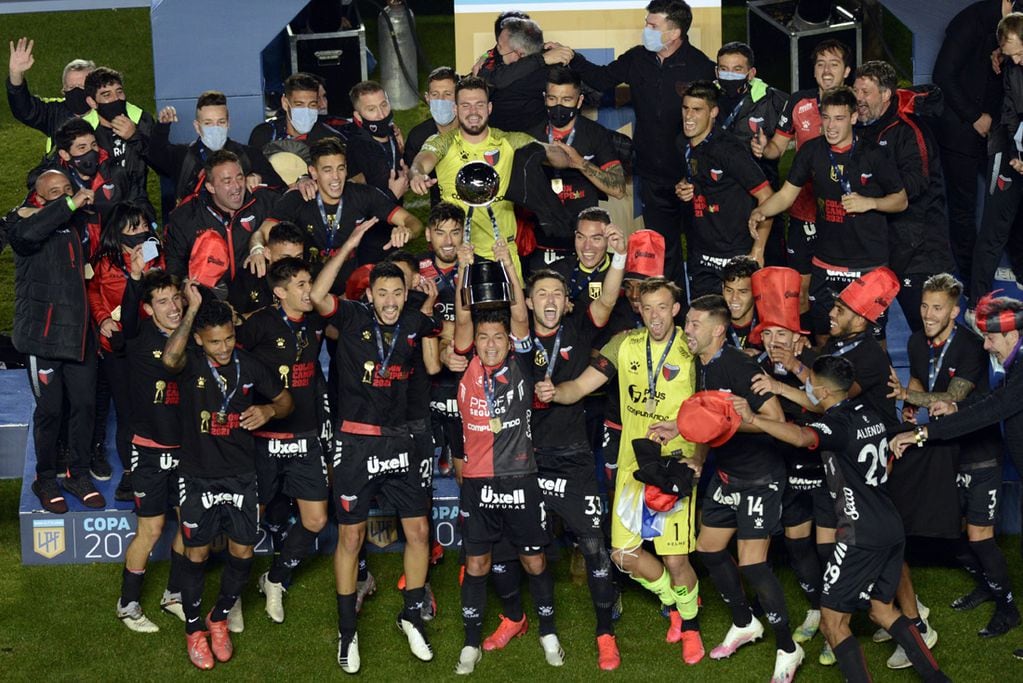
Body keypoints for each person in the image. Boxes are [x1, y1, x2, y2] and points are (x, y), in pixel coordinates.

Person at [734, 355, 951, 683]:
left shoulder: (835, 426)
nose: (807, 386)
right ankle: (938, 679)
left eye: (810, 383)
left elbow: (804, 437)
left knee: (832, 623)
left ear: (820, 390)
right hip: (891, 526)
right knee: (882, 610)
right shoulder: (868, 412)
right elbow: (831, 415)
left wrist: (755, 418)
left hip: (860, 534)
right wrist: (783, 385)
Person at [540, 277, 706, 665]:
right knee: (623, 554)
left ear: (675, 310)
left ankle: (692, 629)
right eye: (647, 308)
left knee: (677, 560)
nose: (655, 316)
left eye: (662, 307)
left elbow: (709, 408)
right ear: (639, 310)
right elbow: (580, 387)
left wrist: (697, 456)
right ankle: (676, 601)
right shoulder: (625, 345)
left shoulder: (690, 347)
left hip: (675, 467)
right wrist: (555, 392)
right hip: (635, 465)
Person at [490, 223, 626, 670]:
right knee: (507, 550)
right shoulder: (521, 336)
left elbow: (606, 301)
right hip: (523, 458)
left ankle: (605, 632)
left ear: (568, 302)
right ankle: (515, 618)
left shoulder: (581, 328)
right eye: (540, 293)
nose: (549, 300)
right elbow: (514, 309)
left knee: (592, 546)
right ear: (530, 301)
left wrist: (618, 257)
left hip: (572, 458)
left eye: (557, 294)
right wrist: (509, 266)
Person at [309, 224, 441, 674]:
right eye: (381, 293)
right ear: (370, 294)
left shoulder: (416, 321)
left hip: (403, 440)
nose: (389, 302)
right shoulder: (350, 315)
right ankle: (348, 632)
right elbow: (315, 296)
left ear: (406, 295)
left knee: (420, 533)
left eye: (396, 294)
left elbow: (445, 348)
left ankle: (411, 615)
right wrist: (347, 246)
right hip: (355, 442)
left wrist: (440, 295)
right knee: (351, 536)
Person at [161, 287, 292, 670]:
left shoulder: (249, 366)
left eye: (229, 338)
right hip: (198, 475)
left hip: (241, 475)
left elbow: (286, 401)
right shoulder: (190, 363)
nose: (224, 348)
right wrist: (192, 311)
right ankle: (193, 630)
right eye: (215, 341)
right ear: (199, 340)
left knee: (243, 551)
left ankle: (218, 619)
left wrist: (268, 411)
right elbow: (169, 358)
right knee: (197, 553)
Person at [452, 238, 565, 675]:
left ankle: (548, 631)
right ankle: (469, 644)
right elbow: (464, 314)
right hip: (478, 481)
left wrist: (507, 266)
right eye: (484, 338)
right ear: (475, 342)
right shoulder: (466, 364)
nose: (491, 343)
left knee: (534, 559)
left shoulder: (520, 365)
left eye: (498, 337)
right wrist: (464, 270)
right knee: (477, 562)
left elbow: (520, 315)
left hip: (520, 476)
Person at [675, 295, 802, 682]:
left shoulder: (737, 364)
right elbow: (704, 417)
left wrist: (731, 423)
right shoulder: (703, 363)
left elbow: (773, 418)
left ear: (718, 330)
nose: (687, 330)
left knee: (753, 564)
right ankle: (745, 622)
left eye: (694, 324)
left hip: (760, 478)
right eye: (688, 323)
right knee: (709, 549)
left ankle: (787, 647)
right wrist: (697, 458)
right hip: (727, 475)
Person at [887, 273, 1019, 638]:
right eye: (925, 306)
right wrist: (911, 411)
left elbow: (964, 405)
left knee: (979, 535)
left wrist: (912, 407)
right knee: (954, 530)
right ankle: (988, 585)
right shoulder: (916, 343)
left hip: (981, 455)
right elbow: (919, 385)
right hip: (946, 454)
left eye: (937, 308)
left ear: (954, 311)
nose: (928, 314)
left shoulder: (975, 349)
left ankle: (1008, 609)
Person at [562, 0, 716, 283]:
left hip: (693, 177)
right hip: (652, 175)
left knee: (701, 246)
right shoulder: (637, 59)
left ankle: (703, 308)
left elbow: (714, 120)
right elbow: (602, 77)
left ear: (674, 33)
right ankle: (671, 307)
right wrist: (572, 58)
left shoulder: (700, 67)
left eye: (652, 25)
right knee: (663, 247)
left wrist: (699, 174)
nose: (646, 30)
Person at [750, 86, 907, 343]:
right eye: (826, 118)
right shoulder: (811, 151)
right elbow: (787, 195)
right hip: (825, 261)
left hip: (867, 263)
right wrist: (760, 210)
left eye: (839, 118)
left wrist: (870, 203)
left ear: (854, 118)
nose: (831, 126)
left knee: (873, 341)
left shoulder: (874, 154)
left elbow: (900, 201)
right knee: (824, 335)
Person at [748, 266, 836, 665]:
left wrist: (784, 384)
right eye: (767, 333)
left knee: (829, 547)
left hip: (826, 468)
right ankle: (817, 607)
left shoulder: (820, 361)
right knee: (798, 544)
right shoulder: (758, 366)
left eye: (780, 334)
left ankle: (840, 622)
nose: (773, 341)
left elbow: (823, 405)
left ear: (798, 337)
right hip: (787, 468)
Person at [236, 257, 330, 625]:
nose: (311, 291)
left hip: (304, 435)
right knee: (247, 522)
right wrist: (253, 406)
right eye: (303, 285)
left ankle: (274, 580)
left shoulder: (315, 318)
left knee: (317, 520)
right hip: (262, 437)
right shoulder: (258, 324)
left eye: (311, 283)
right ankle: (233, 596)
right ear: (280, 292)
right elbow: (227, 360)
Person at [7, 169, 105, 512]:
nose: (66, 195)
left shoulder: (81, 222)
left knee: (84, 407)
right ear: (39, 197)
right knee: (50, 412)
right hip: (44, 338)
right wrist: (68, 204)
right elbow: (28, 232)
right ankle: (45, 479)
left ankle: (78, 474)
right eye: (55, 192)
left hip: (80, 334)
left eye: (68, 189)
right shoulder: (24, 225)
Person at [409, 75, 572, 275]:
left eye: (479, 105)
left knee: (515, 306)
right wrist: (417, 174)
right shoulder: (442, 142)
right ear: (456, 109)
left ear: (489, 108)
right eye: (466, 106)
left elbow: (562, 160)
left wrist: (544, 152)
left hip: (503, 254)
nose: (473, 112)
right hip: (460, 254)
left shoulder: (509, 141)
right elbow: (422, 160)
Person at [853, 60, 955, 332]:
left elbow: (917, 183)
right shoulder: (856, 128)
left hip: (919, 246)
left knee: (928, 327)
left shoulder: (910, 129)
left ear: (886, 95)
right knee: (870, 325)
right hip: (877, 244)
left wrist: (870, 194)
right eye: (856, 91)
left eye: (866, 93)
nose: (859, 99)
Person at [751, 39, 853, 310]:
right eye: (821, 64)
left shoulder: (855, 107)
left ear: (847, 71)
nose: (827, 70)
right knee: (802, 289)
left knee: (847, 291)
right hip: (803, 210)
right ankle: (806, 347)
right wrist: (765, 148)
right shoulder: (798, 101)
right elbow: (777, 148)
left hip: (845, 215)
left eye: (834, 64)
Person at [115, 268, 188, 632]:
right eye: (163, 301)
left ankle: (173, 594)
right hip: (149, 450)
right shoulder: (140, 340)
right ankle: (128, 604)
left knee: (190, 527)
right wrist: (133, 279)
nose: (173, 307)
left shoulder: (192, 335)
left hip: (187, 451)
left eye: (177, 298)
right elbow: (125, 322)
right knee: (152, 528)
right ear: (148, 308)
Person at [248, 136, 420, 286]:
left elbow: (414, 223)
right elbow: (261, 233)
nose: (336, 177)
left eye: (340, 168)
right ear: (313, 172)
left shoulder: (363, 195)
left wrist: (407, 230)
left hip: (349, 291)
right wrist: (256, 249)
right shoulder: (298, 198)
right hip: (308, 291)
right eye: (327, 170)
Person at [932, 0, 1011, 295]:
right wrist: (974, 116)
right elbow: (943, 73)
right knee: (964, 209)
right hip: (962, 130)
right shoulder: (972, 20)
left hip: (998, 127)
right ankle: (971, 281)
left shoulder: (1010, 28)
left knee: (1008, 199)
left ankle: (1009, 267)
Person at [87, 203, 163, 498]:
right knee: (127, 412)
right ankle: (131, 474)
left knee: (156, 405)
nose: (141, 233)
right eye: (133, 228)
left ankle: (160, 468)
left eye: (144, 226)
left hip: (150, 346)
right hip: (116, 347)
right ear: (117, 233)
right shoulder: (104, 262)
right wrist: (103, 318)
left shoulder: (156, 256)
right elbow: (93, 292)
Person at [676, 80, 773, 299]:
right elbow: (698, 174)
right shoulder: (683, 143)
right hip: (701, 253)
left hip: (735, 254)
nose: (689, 116)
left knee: (739, 321)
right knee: (704, 322)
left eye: (697, 110)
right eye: (685, 108)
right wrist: (684, 185)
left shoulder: (729, 149)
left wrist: (758, 250)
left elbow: (767, 196)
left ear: (713, 112)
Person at [527, 66, 626, 270]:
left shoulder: (596, 134)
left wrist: (580, 163)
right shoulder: (530, 135)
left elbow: (618, 189)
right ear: (545, 98)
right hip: (541, 242)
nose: (558, 106)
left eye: (566, 100)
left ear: (579, 101)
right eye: (552, 99)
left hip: (584, 244)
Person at [163, 149, 279, 294]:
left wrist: (303, 180)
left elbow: (293, 200)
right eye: (227, 181)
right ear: (210, 187)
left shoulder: (262, 201)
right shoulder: (185, 217)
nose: (237, 187)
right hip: (209, 305)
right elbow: (174, 270)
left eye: (240, 177)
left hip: (259, 299)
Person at [969, 12, 1023, 317]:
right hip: (1008, 150)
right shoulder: (1011, 68)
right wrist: (1018, 154)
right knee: (993, 230)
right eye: (1009, 54)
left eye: (1019, 53)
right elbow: (1011, 113)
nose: (1015, 60)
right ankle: (979, 306)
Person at [146, 90, 282, 202]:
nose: (215, 128)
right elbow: (155, 156)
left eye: (221, 122)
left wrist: (259, 178)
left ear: (228, 124)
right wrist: (162, 128)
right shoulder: (183, 156)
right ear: (197, 127)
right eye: (208, 123)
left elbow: (280, 188)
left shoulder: (250, 155)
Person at [416, 202, 467, 477]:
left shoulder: (477, 267)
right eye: (440, 232)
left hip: (463, 368)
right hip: (425, 373)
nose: (448, 241)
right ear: (427, 234)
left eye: (455, 233)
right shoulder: (413, 270)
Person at [477, 16, 571, 133]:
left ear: (520, 54)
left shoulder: (543, 76)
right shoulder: (540, 56)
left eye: (500, 47)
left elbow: (488, 79)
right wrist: (486, 56)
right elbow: (492, 55)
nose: (497, 51)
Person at [81, 66, 155, 202]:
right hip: (100, 211)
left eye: (119, 92)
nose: (116, 99)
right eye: (106, 94)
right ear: (92, 102)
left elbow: (160, 162)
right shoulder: (84, 132)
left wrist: (134, 137)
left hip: (137, 207)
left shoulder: (142, 121)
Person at [7, 37, 94, 145]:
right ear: (63, 90)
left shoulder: (109, 112)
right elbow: (24, 109)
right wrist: (15, 74)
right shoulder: (54, 112)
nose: (77, 91)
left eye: (82, 87)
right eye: (71, 87)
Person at [343, 80, 409, 201]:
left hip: (396, 214)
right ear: (358, 116)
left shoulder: (393, 133)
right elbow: (360, 201)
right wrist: (392, 195)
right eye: (371, 109)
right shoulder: (356, 148)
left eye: (384, 105)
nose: (382, 115)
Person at [404, 67, 460, 208]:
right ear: (428, 98)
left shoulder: (474, 130)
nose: (441, 100)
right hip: (442, 211)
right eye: (435, 94)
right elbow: (414, 168)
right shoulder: (418, 136)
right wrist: (416, 176)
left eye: (448, 94)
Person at [247, 71, 343, 150]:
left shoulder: (331, 140)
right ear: (285, 103)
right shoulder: (265, 134)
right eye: (299, 105)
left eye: (312, 105)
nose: (306, 111)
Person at [720, 256, 760, 352]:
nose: (734, 298)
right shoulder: (712, 323)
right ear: (722, 288)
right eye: (729, 290)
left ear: (756, 291)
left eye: (743, 292)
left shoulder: (768, 326)